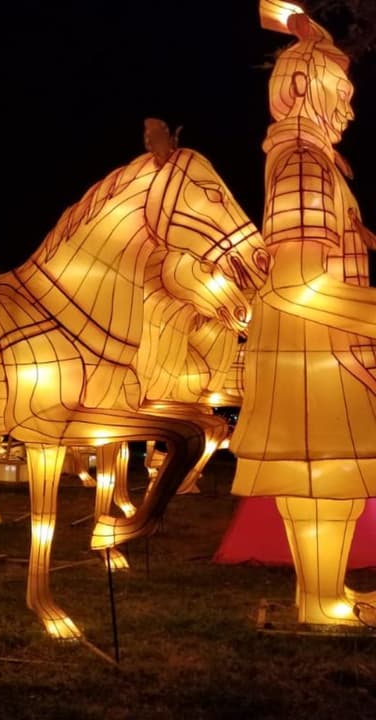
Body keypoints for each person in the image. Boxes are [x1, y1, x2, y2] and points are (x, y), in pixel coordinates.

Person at [230, 0, 376, 626]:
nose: (349, 108)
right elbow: (298, 283)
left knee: (329, 485)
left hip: (320, 349)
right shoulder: (301, 163)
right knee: (326, 481)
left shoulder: (307, 160)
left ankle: (323, 594)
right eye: (341, 92)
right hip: (317, 348)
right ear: (307, 86)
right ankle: (321, 600)